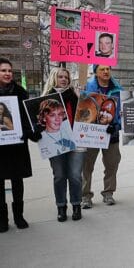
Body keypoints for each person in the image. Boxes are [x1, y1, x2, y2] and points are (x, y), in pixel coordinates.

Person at [0, 57, 41, 233]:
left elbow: (27, 117)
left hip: (17, 143)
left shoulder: (21, 92)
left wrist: (30, 132)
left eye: (9, 71)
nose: (7, 74)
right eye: (3, 70)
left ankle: (19, 216)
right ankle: (2, 219)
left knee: (17, 181)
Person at [41, 67, 85, 222]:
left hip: (77, 141)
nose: (64, 79)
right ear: (54, 78)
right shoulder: (46, 98)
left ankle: (76, 205)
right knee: (59, 175)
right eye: (61, 77)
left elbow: (87, 115)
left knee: (75, 176)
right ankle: (61, 206)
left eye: (66, 77)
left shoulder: (75, 95)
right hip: (55, 141)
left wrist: (81, 98)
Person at [81, 64, 122, 209]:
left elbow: (122, 112)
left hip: (112, 133)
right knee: (86, 166)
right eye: (102, 69)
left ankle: (108, 192)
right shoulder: (87, 88)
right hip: (91, 133)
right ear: (96, 73)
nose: (106, 71)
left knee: (112, 165)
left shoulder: (118, 89)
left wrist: (117, 125)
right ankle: (85, 196)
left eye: (108, 69)